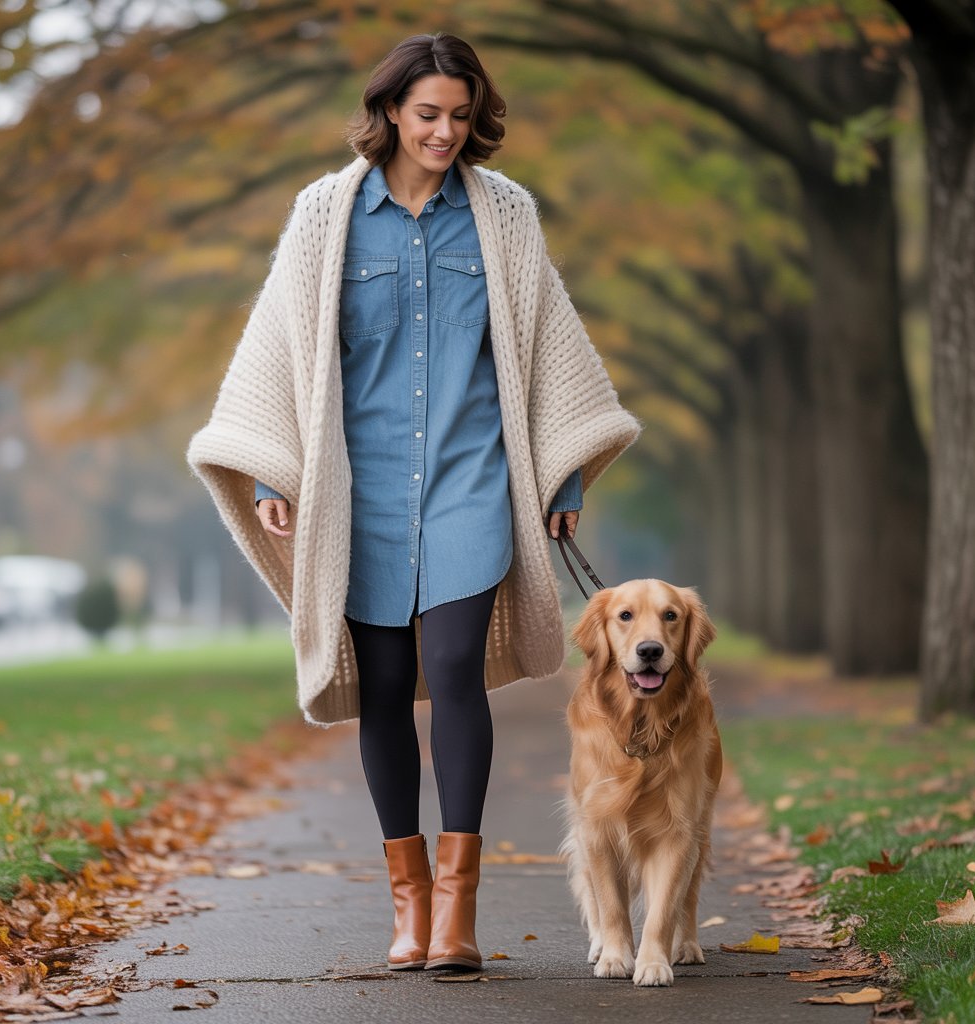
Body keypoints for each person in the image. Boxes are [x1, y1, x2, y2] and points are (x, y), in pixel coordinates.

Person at [187, 32, 639, 974]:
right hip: (365, 491)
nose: (444, 132)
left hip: (473, 478)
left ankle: (457, 912)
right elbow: (283, 345)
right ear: (391, 109)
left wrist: (556, 475)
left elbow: (548, 340)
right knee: (386, 690)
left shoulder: (505, 216)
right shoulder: (326, 213)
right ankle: (407, 899)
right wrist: (277, 471)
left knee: (453, 669)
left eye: (461, 116)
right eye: (428, 114)